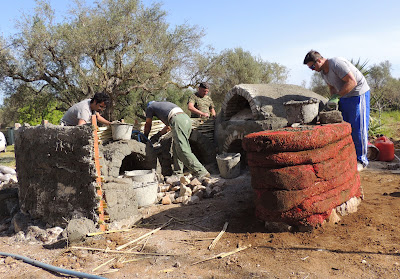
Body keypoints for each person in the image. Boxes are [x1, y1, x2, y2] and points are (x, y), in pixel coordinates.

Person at [303, 50, 370, 171]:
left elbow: (352, 82)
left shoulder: (336, 63)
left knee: (358, 127)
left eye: (313, 66)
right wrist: (334, 101)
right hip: (345, 96)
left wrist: (337, 97)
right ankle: (351, 157)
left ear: (319, 60)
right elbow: (332, 87)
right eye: (310, 68)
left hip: (358, 94)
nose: (313, 69)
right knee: (346, 127)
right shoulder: (323, 72)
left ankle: (362, 160)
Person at [144, 101, 210, 179]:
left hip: (177, 120)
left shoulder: (150, 107)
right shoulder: (164, 106)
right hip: (186, 119)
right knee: (176, 148)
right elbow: (168, 127)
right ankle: (177, 174)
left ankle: (201, 171)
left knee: (182, 149)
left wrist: (145, 137)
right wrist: (159, 134)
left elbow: (148, 124)